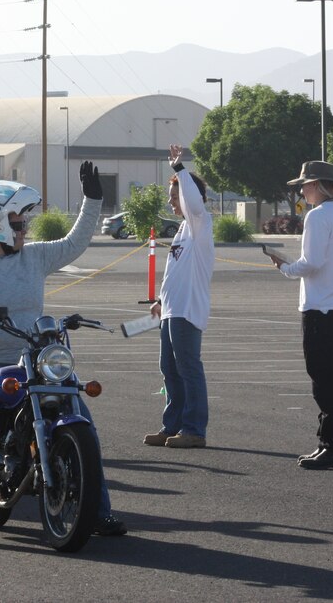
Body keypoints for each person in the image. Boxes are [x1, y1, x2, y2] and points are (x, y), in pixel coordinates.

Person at [0, 162, 126, 542]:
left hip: (33, 360)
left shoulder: (34, 256)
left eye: (21, 222)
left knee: (83, 424)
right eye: (16, 223)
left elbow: (75, 242)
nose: (23, 229)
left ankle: (99, 513)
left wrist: (93, 199)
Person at [267, 161, 333, 470]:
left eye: (305, 185)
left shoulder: (317, 217)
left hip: (319, 307)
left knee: (323, 381)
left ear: (319, 185)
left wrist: (285, 267)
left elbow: (312, 262)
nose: (302, 190)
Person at [144, 144, 215, 449]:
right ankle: (171, 425)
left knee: (188, 368)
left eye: (175, 197)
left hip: (187, 310)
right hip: (172, 309)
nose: (171, 202)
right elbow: (174, 272)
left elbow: (193, 203)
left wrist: (180, 170)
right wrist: (160, 300)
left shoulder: (200, 223)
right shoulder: (183, 230)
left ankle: (194, 429)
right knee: (169, 369)